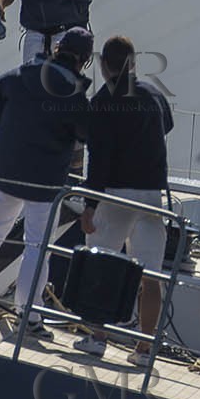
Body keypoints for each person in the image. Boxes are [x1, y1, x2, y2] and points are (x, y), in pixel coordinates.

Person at [0, 28, 93, 340]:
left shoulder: (13, 77)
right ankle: (29, 314)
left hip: (6, 172)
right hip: (44, 183)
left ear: (57, 47)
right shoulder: (74, 96)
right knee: (38, 246)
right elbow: (85, 134)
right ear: (84, 60)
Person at [78, 36, 173, 364]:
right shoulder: (153, 94)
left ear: (104, 65)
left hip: (117, 194)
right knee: (151, 276)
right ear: (133, 63)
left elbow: (99, 159)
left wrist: (89, 205)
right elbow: (168, 126)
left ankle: (97, 337)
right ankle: (144, 350)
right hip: (150, 195)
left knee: (102, 264)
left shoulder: (102, 102)